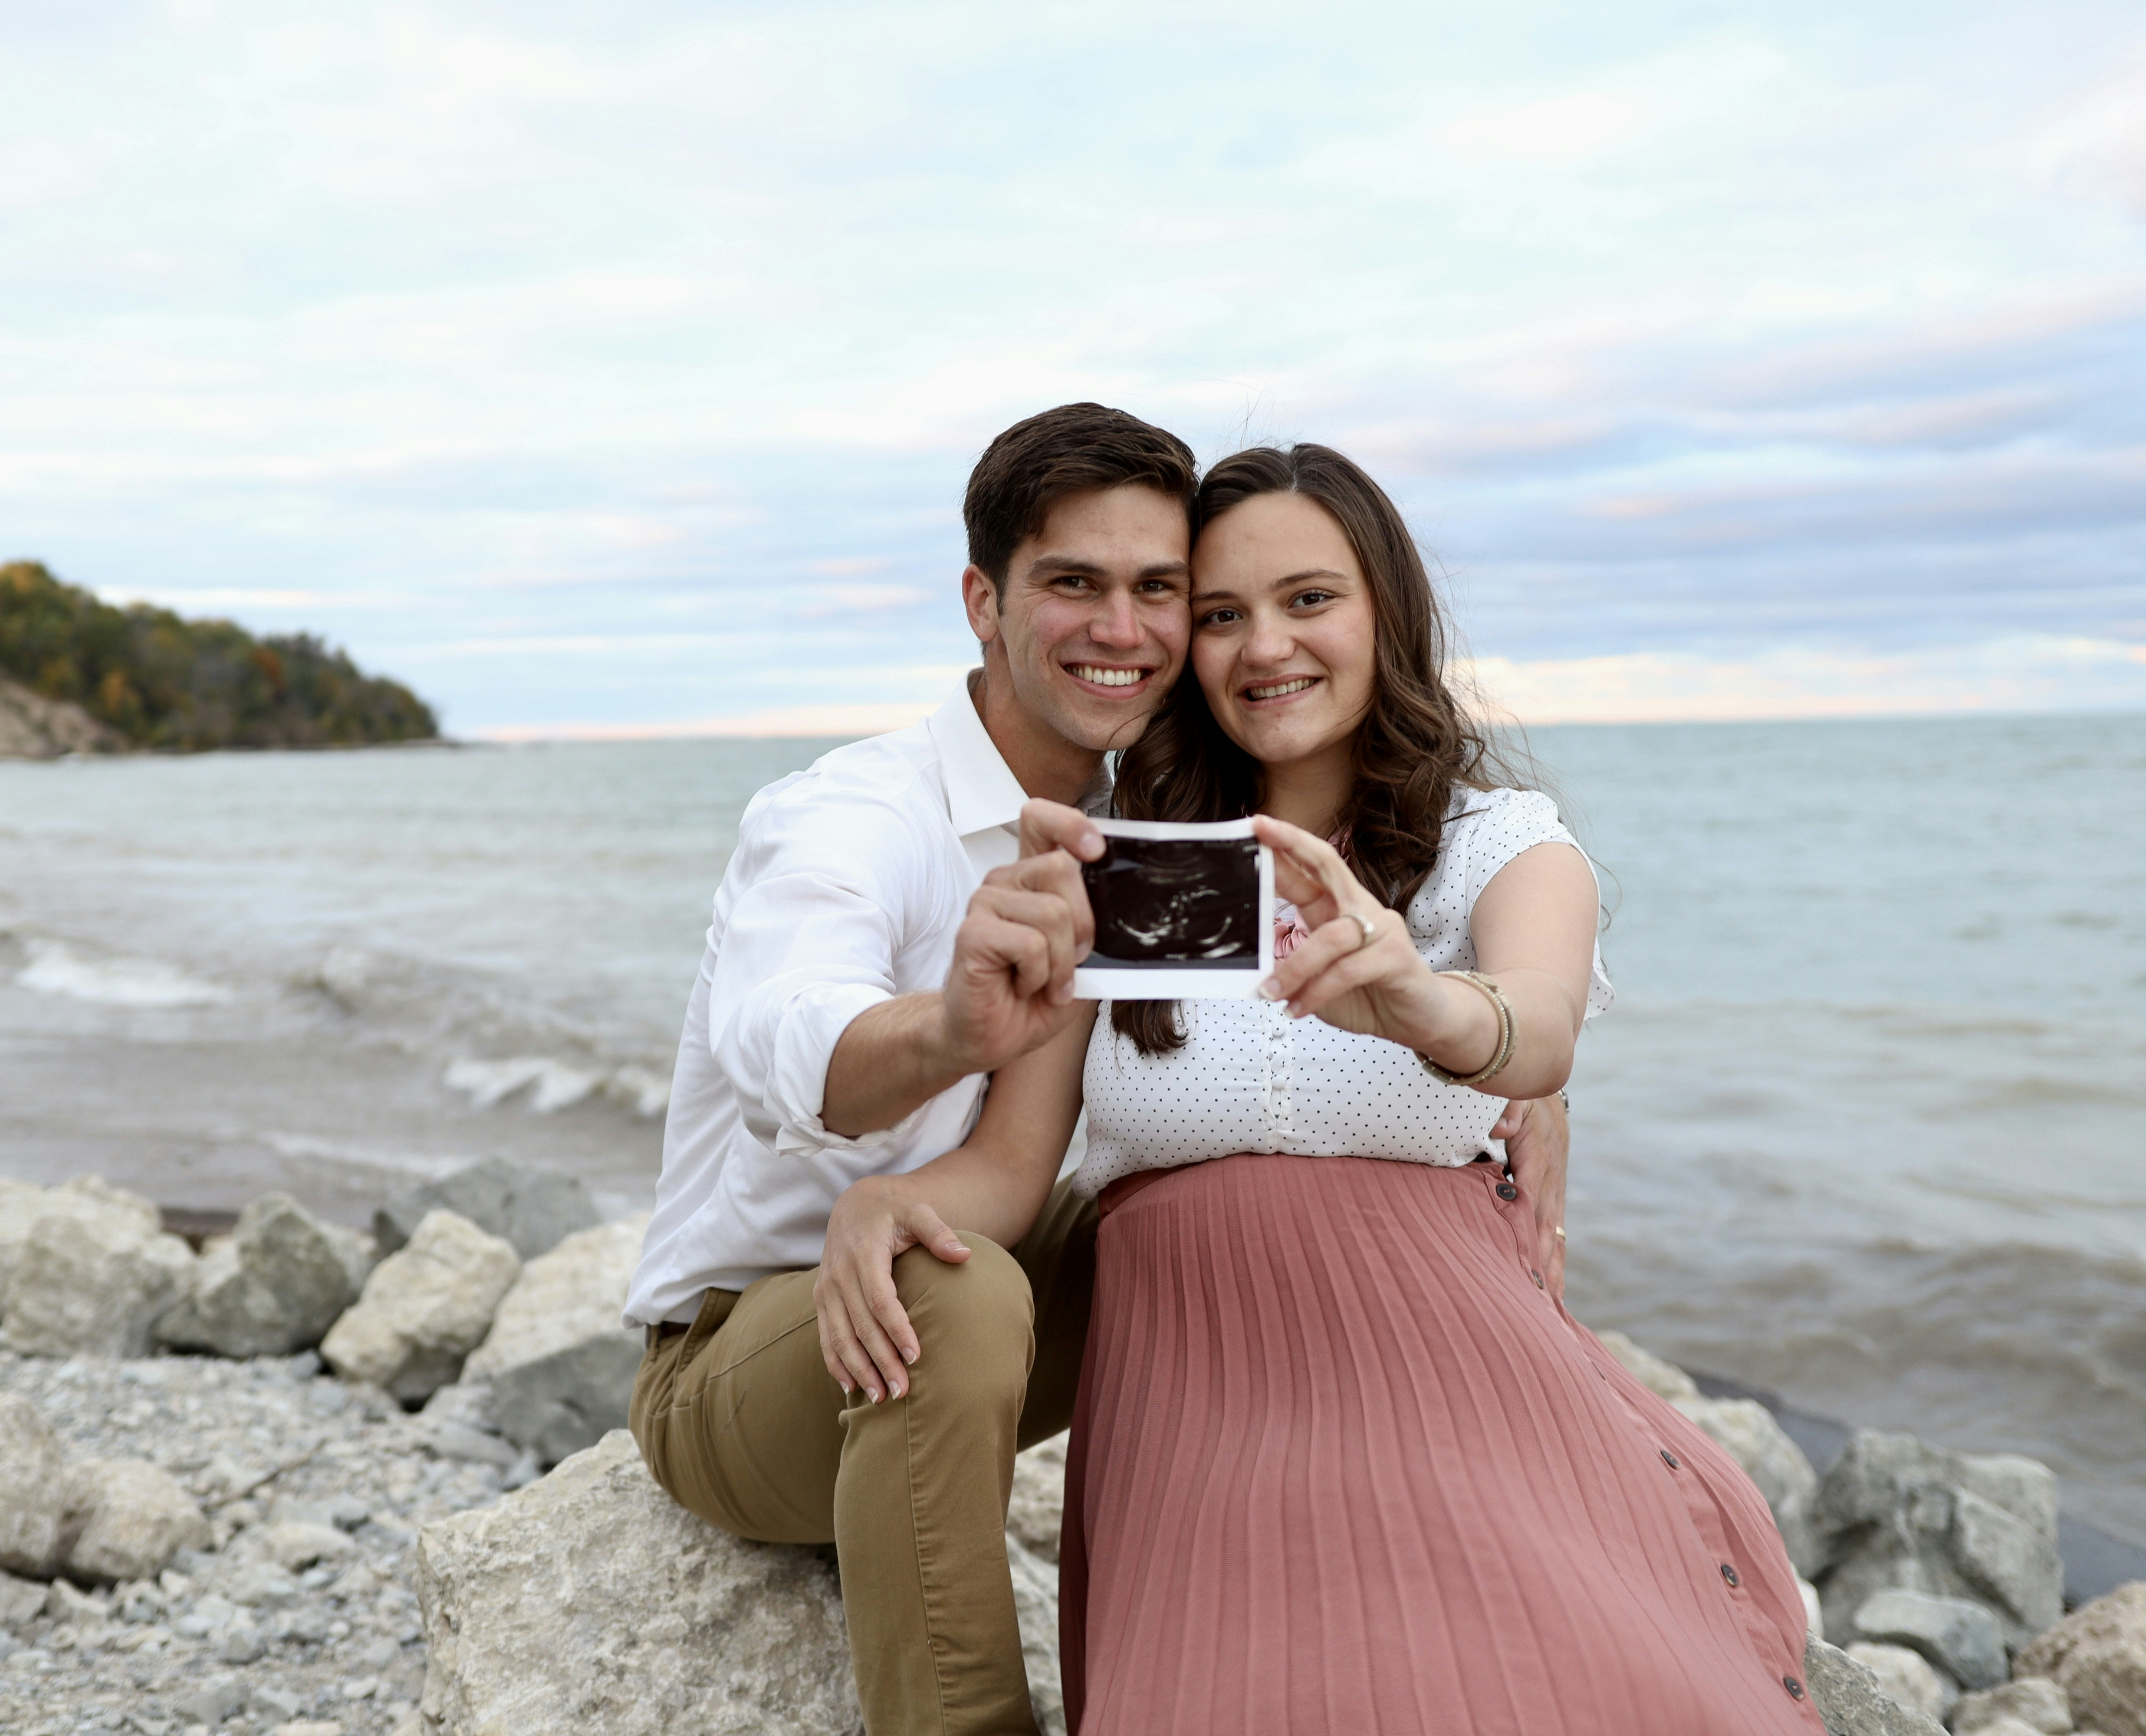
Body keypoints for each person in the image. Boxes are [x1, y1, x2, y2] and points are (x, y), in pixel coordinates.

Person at [820, 443, 1817, 1735]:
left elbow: (1538, 1030)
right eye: (1222, 614)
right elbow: (1014, 1169)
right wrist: (882, 1204)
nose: (1261, 648)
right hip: (1199, 1410)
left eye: (1308, 600)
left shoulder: (1490, 846)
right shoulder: (1136, 863)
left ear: (1385, 612)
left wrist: (1419, 1004)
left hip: (1459, 1380)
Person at [624, 407, 1572, 1736]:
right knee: (949, 1294)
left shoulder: (1143, 837)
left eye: (1160, 592)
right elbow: (799, 1043)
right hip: (750, 1357)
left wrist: (1509, 1069)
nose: (1122, 631)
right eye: (1074, 584)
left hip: (971, 1247)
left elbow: (1265, 1065)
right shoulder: (850, 815)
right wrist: (951, 1032)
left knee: (1201, 1222)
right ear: (983, 600)